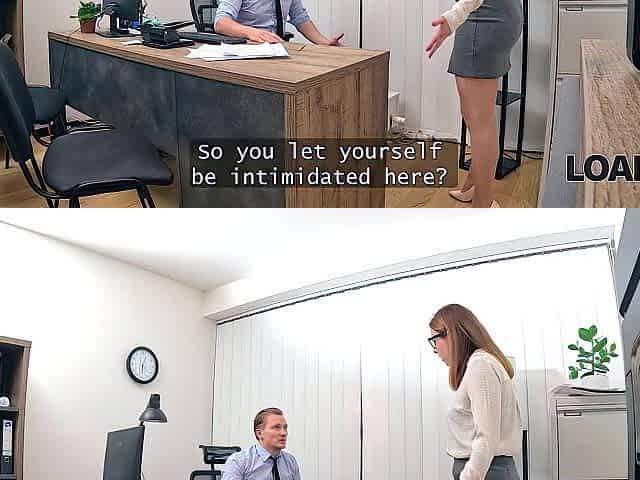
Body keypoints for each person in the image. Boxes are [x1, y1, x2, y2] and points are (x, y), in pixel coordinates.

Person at [425, 0, 524, 208]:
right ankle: (473, 185)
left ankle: (483, 204)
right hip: (496, 15)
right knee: (479, 118)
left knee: (480, 123)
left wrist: (453, 17)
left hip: (482, 18)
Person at [428, 304, 522, 480]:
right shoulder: (478, 365)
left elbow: (486, 437)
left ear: (452, 334)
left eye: (435, 340)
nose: (435, 349)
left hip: (488, 471)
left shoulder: (481, 366)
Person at [214, 0, 344, 46]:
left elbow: (300, 18)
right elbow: (221, 23)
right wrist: (251, 32)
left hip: (278, 50)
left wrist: (325, 43)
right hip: (248, 50)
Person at [221, 407, 301, 480]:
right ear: (259, 433)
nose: (284, 433)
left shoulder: (290, 461)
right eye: (276, 427)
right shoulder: (238, 462)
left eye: (285, 428)